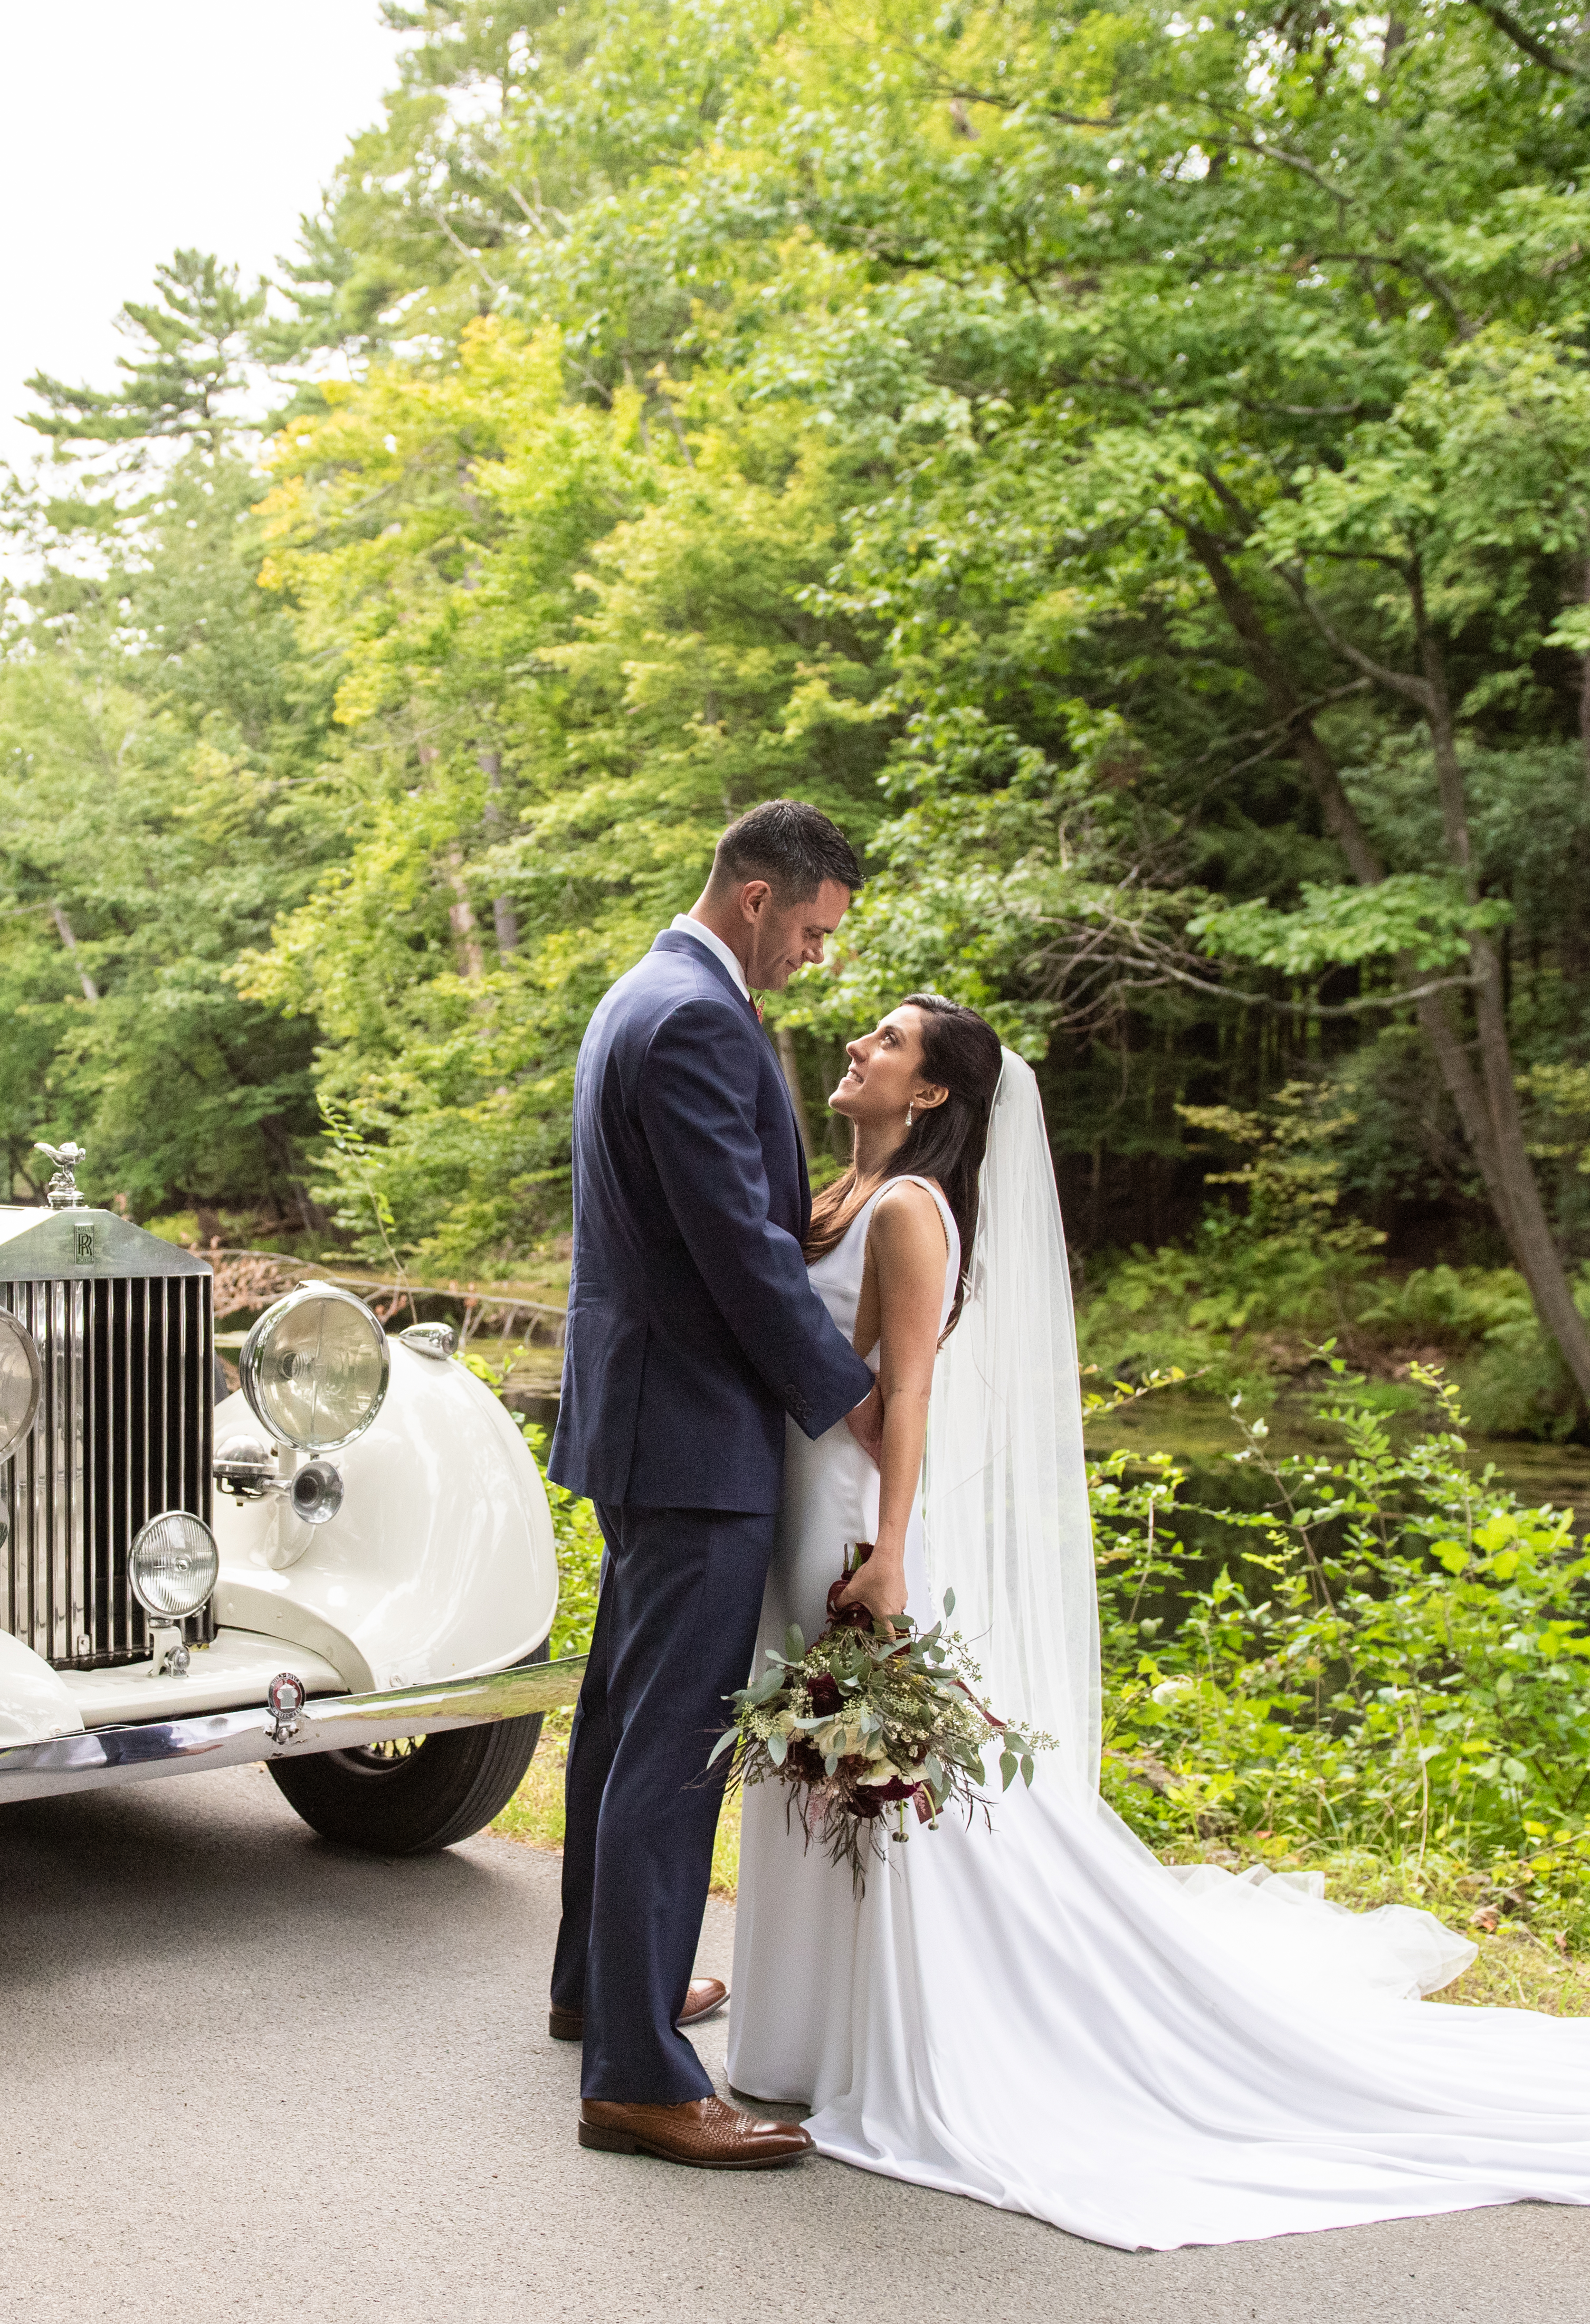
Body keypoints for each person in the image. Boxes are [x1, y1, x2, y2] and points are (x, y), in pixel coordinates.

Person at [721, 993, 1590, 2247]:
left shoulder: (911, 1214)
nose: (859, 1047)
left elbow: (907, 1397)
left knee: (889, 1796)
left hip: (859, 1526)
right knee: (829, 1776)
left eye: (888, 1041)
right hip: (803, 1514)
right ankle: (815, 2038)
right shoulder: (849, 1186)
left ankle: (901, 2048)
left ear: (942, 1093)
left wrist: (891, 1552)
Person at [546, 800, 878, 2170]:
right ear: (755, 896)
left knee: (626, 1715)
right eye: (811, 926)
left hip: (647, 1422)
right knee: (676, 1745)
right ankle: (637, 2075)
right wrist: (853, 1398)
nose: (815, 955)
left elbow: (721, 1222)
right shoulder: (694, 1017)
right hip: (691, 1436)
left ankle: (598, 1984)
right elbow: (739, 1253)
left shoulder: (651, 989)